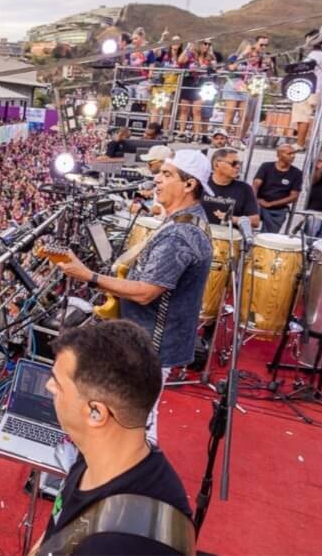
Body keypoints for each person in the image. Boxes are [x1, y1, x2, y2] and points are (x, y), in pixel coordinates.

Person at [56, 149, 213, 445]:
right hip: (151, 339)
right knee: (135, 416)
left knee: (135, 424)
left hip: (152, 345)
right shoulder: (183, 221)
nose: (157, 179)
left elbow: (146, 292)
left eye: (167, 175)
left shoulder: (182, 233)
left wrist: (88, 276)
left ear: (189, 185)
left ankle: (129, 477)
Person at [34, 321, 192, 555]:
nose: (48, 386)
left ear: (96, 413)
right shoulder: (98, 455)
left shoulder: (118, 545)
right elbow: (53, 536)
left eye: (57, 383)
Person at [203, 148, 260, 229]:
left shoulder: (245, 189)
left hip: (229, 238)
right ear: (216, 164)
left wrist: (231, 219)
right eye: (233, 163)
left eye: (239, 163)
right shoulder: (201, 183)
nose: (238, 167)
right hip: (200, 234)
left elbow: (255, 221)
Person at [252, 144, 303, 233]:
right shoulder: (266, 166)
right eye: (289, 153)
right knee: (245, 225)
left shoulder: (297, 173)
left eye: (294, 154)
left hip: (278, 209)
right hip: (259, 204)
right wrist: (255, 201)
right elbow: (255, 185)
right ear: (279, 155)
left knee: (268, 237)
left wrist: (271, 204)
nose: (293, 156)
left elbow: (294, 196)